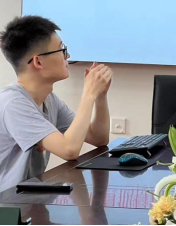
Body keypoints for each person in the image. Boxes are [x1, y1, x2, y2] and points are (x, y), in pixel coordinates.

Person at [0, 15, 113, 192]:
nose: (68, 56)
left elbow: (98, 138)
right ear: (38, 61)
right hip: (7, 204)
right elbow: (69, 150)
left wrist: (100, 95)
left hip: (29, 198)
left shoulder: (49, 99)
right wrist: (89, 94)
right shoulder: (13, 104)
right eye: (61, 50)